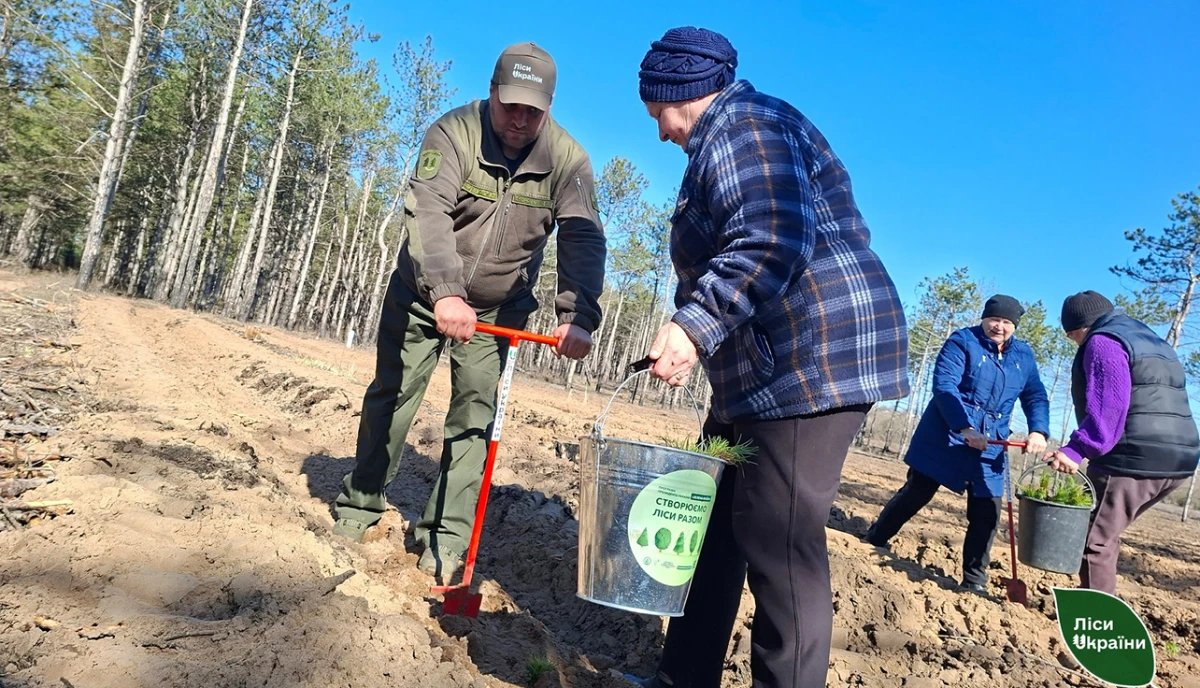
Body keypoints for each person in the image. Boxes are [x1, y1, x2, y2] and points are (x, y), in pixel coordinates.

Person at [628, 26, 911, 688]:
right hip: (763, 372)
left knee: (779, 543)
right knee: (712, 523)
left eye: (657, 115)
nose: (660, 132)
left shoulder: (743, 127)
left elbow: (772, 236)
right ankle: (682, 676)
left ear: (684, 94)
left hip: (810, 367)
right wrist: (709, 336)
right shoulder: (740, 131)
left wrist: (696, 326)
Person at [332, 42, 607, 585]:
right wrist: (445, 292)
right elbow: (428, 211)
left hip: (498, 312)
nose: (520, 120)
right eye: (512, 107)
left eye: (533, 111)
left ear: (549, 107)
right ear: (492, 93)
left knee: (475, 419)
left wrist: (579, 313)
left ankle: (445, 541)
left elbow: (583, 238)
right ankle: (360, 505)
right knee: (393, 394)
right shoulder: (453, 132)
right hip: (421, 295)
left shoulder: (568, 161)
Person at [864, 295, 1050, 592]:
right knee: (916, 493)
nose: (998, 327)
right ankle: (874, 539)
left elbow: (1035, 396)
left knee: (987, 513)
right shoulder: (962, 342)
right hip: (945, 437)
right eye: (994, 320)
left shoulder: (1023, 357)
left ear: (1014, 325)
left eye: (1006, 322)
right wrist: (964, 427)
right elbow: (945, 386)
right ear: (984, 318)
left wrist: (1038, 431)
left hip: (991, 444)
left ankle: (974, 582)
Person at [1045, 291, 1200, 594]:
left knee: (1093, 541)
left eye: (1072, 337)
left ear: (1078, 328)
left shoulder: (1103, 341)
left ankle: (1099, 626)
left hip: (1132, 459)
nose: (1075, 343)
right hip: (1180, 460)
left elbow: (1110, 405)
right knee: (1107, 530)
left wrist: (1077, 449)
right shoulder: (1149, 339)